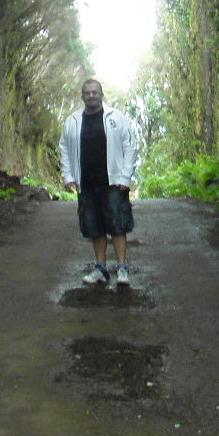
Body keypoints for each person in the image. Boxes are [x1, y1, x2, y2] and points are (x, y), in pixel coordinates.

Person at [59, 77, 139, 288]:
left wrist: (125, 176)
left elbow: (130, 146)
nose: (91, 96)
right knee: (94, 226)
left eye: (95, 92)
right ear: (82, 96)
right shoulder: (73, 121)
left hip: (112, 182)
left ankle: (122, 268)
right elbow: (64, 148)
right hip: (86, 182)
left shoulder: (116, 118)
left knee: (118, 225)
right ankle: (101, 268)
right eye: (87, 93)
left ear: (101, 94)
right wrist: (68, 176)